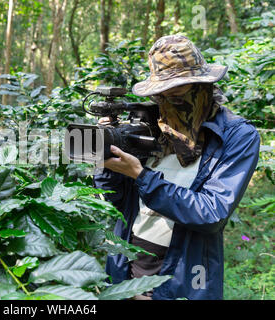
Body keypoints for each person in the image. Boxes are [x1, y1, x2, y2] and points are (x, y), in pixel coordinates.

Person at [93, 35, 260, 300]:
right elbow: (115, 202)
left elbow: (212, 214)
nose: (168, 105)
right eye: (162, 97)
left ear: (202, 88)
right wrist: (105, 159)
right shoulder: (149, 125)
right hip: (129, 265)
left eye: (178, 96)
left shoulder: (236, 135)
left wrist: (141, 175)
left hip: (183, 272)